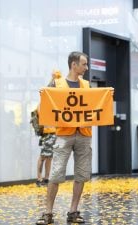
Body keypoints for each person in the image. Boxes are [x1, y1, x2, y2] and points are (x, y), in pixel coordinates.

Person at [36, 52, 93, 224]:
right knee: (55, 174)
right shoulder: (56, 83)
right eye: (84, 64)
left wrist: (107, 95)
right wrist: (44, 94)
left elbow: (95, 104)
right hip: (63, 134)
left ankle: (73, 211)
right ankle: (48, 213)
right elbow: (44, 105)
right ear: (73, 65)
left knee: (81, 175)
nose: (86, 67)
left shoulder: (87, 85)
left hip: (84, 135)